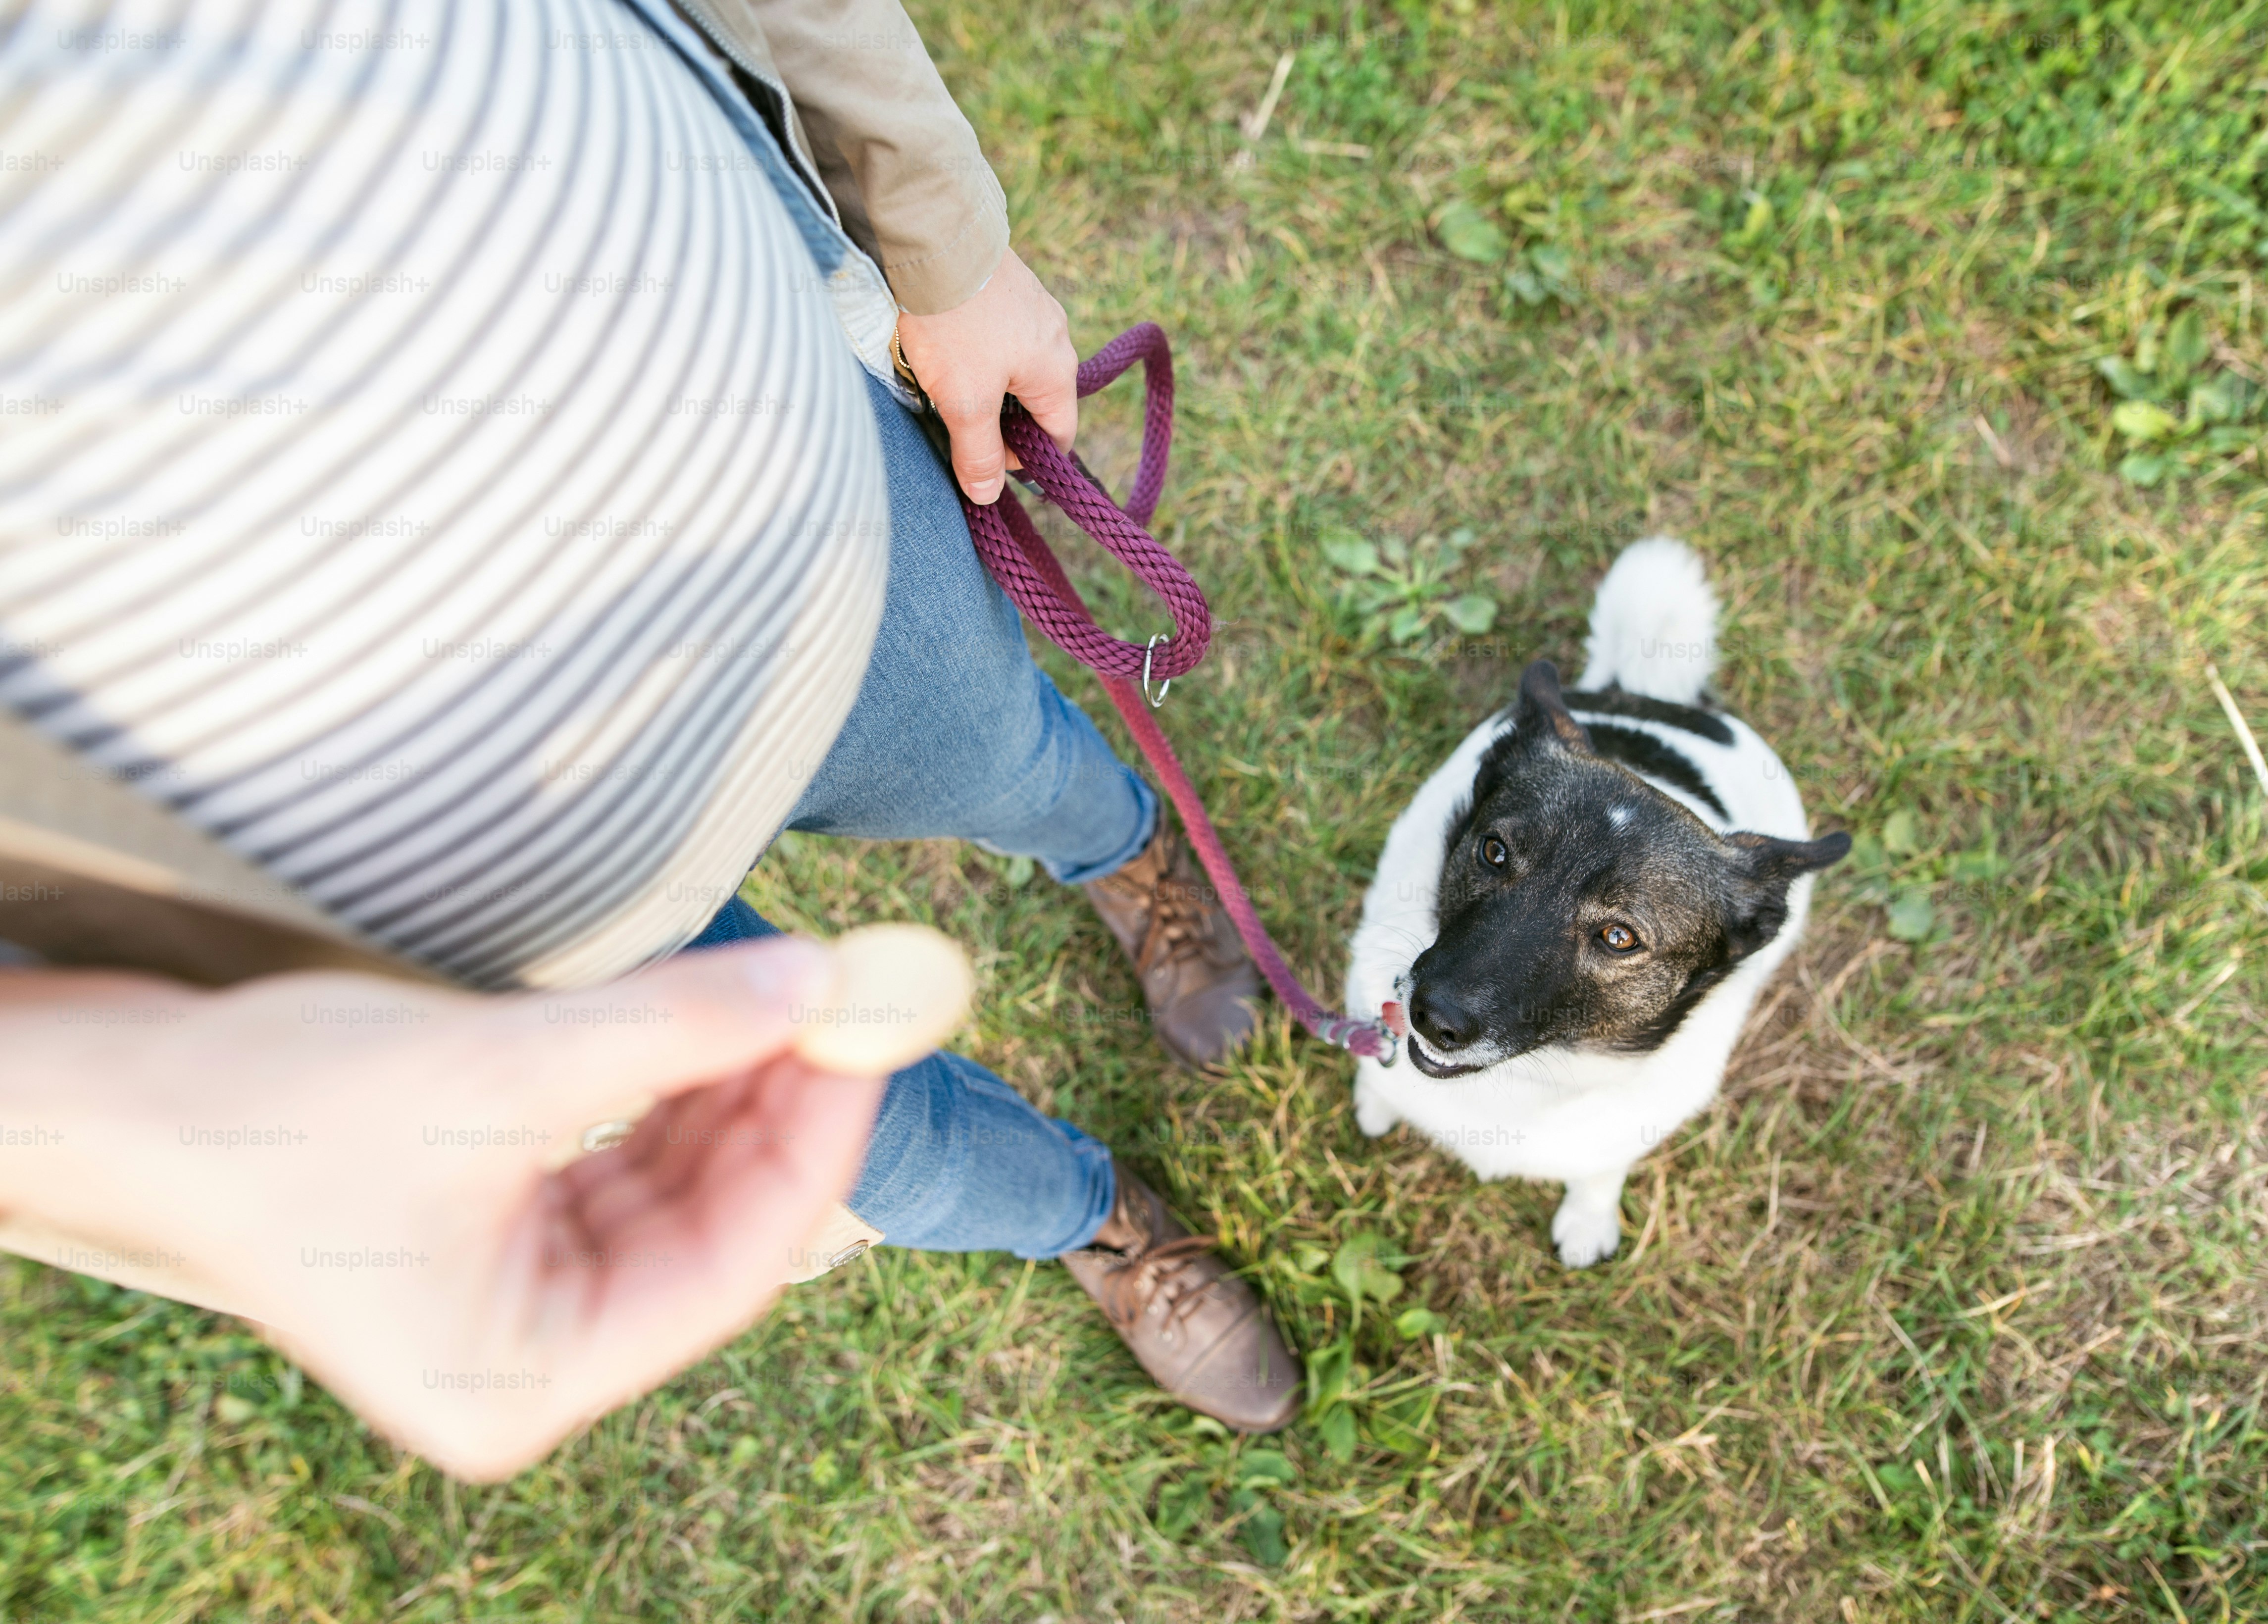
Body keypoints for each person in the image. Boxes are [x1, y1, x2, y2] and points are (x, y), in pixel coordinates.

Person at [0, 0, 1298, 1480]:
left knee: (996, 745)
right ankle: (1092, 1214)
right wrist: (120, 1113)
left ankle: (1127, 863)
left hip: (752, 468)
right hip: (365, 907)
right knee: (873, 1149)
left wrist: (941, 232)